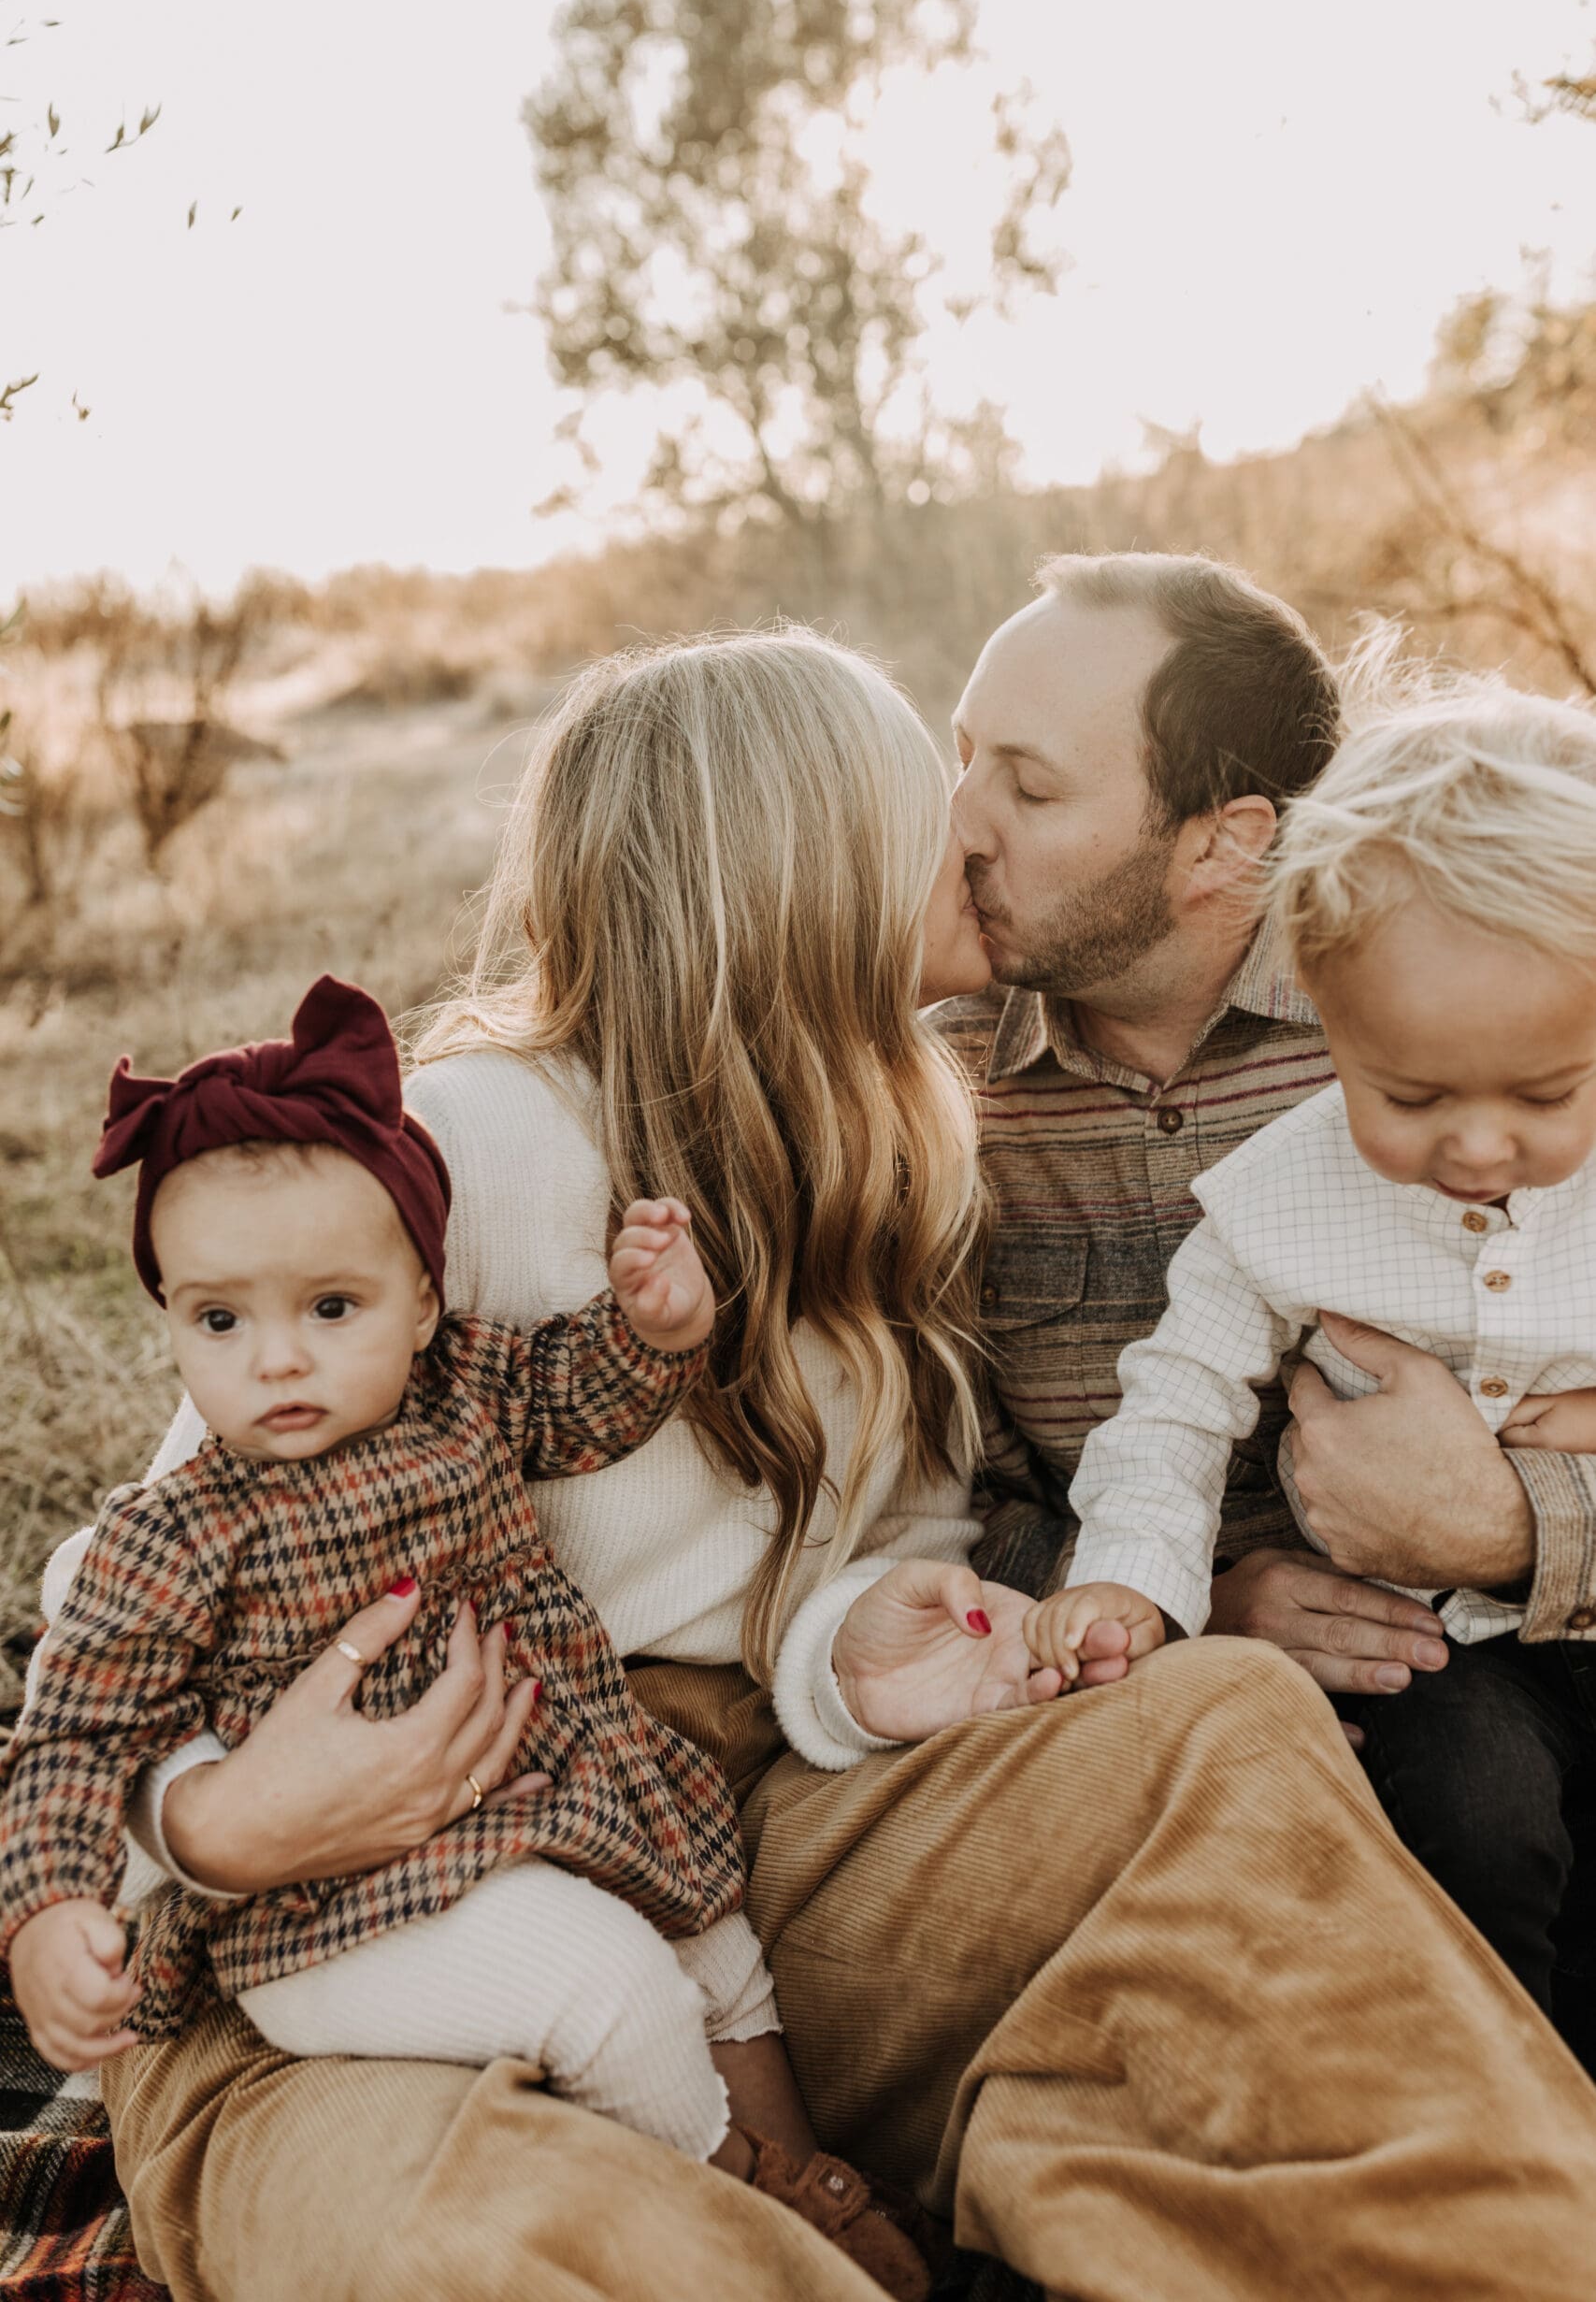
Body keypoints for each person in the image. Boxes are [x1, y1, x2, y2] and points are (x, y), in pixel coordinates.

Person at [44, 631, 1596, 2302]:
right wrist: (207, 1822)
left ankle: (1485, 2244)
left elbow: (804, 1583)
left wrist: (845, 1647)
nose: (976, 831)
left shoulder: (885, 1153)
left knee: (1219, 1717)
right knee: (492, 2235)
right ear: (795, 868)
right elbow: (135, 1588)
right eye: (932, 796)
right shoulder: (471, 1151)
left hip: (717, 1838)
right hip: (338, 1925)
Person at [10, 973, 933, 2295]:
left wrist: (651, 1326)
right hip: (338, 1911)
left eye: (331, 1309)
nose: (277, 1361)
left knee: (718, 1945)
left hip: (546, 1804)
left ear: (423, 1303)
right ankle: (739, 2199)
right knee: (613, 1987)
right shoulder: (174, 1536)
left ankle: (797, 2176)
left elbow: (580, 1399)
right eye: (220, 1320)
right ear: (170, 1321)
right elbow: (70, 1733)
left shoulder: (460, 1395)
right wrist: (46, 1912)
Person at [1032, 682, 1596, 2057]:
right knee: (1478, 1822)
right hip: (1427, 1644)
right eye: (1407, 1098)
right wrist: (1130, 1578)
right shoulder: (1275, 1202)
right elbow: (1173, 1404)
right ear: (1323, 1028)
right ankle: (1509, 2094)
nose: (1476, 1149)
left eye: (1541, 1096)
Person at [934, 555, 1596, 1691]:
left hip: (1506, 1650)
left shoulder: (1471, 1010)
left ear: (1225, 842)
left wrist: (1524, 1528)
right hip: (1173, 1707)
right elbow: (918, 1503)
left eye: (1031, 789)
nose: (959, 828)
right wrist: (1184, 1603)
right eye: (963, 760)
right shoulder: (937, 1096)